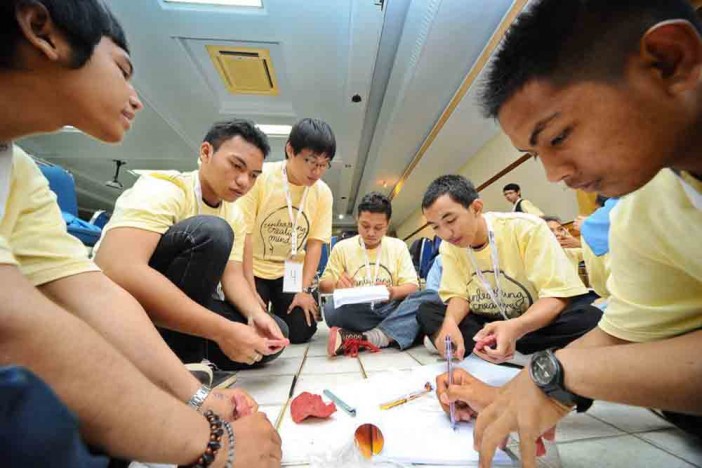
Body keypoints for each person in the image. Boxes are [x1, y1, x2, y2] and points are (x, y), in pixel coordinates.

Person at [0, 1, 281, 466]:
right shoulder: (163, 187)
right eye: (122, 70)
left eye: (253, 175)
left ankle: (182, 369)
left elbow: (89, 293)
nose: (135, 98)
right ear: (41, 30)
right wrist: (208, 442)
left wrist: (199, 397)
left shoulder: (20, 173)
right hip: (142, 302)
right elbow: (21, 321)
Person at [438, 1, 702, 465]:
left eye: (559, 137)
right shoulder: (642, 208)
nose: (555, 174)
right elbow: (627, 335)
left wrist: (558, 372)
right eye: (535, 154)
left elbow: (576, 330)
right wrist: (522, 391)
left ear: (669, 60)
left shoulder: (525, 225)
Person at [94, 119, 289, 370]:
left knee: (271, 335)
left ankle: (188, 351)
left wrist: (256, 314)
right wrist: (223, 330)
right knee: (213, 231)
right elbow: (117, 268)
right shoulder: (163, 189)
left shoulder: (234, 213)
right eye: (236, 166)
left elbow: (232, 277)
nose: (244, 182)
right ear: (206, 152)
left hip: (184, 306)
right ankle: (181, 360)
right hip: (123, 307)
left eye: (253, 175)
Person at [419, 175, 602, 364]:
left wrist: (516, 327)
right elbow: (459, 295)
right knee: (427, 309)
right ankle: (517, 350)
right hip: (486, 321)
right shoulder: (449, 247)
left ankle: (495, 347)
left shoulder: (526, 227)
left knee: (589, 317)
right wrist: (449, 324)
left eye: (450, 220)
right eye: (436, 227)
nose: (446, 234)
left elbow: (557, 295)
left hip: (532, 320)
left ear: (476, 208)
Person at [237, 118, 336, 344]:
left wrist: (303, 290)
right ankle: (270, 314)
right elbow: (245, 236)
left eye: (324, 164)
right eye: (311, 161)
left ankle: (278, 316)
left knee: (302, 329)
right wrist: (248, 289)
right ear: (290, 150)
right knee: (251, 323)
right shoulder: (261, 177)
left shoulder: (322, 193)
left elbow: (315, 245)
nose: (317, 171)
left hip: (290, 271)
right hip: (254, 267)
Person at [319, 192, 419, 356]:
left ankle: (366, 337)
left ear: (387, 224)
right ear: (357, 220)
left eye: (378, 228)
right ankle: (394, 330)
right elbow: (323, 285)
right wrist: (336, 285)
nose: (371, 233)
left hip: (388, 307)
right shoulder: (342, 248)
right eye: (365, 226)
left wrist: (392, 292)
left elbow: (413, 287)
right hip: (357, 309)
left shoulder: (398, 246)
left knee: (426, 299)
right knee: (331, 309)